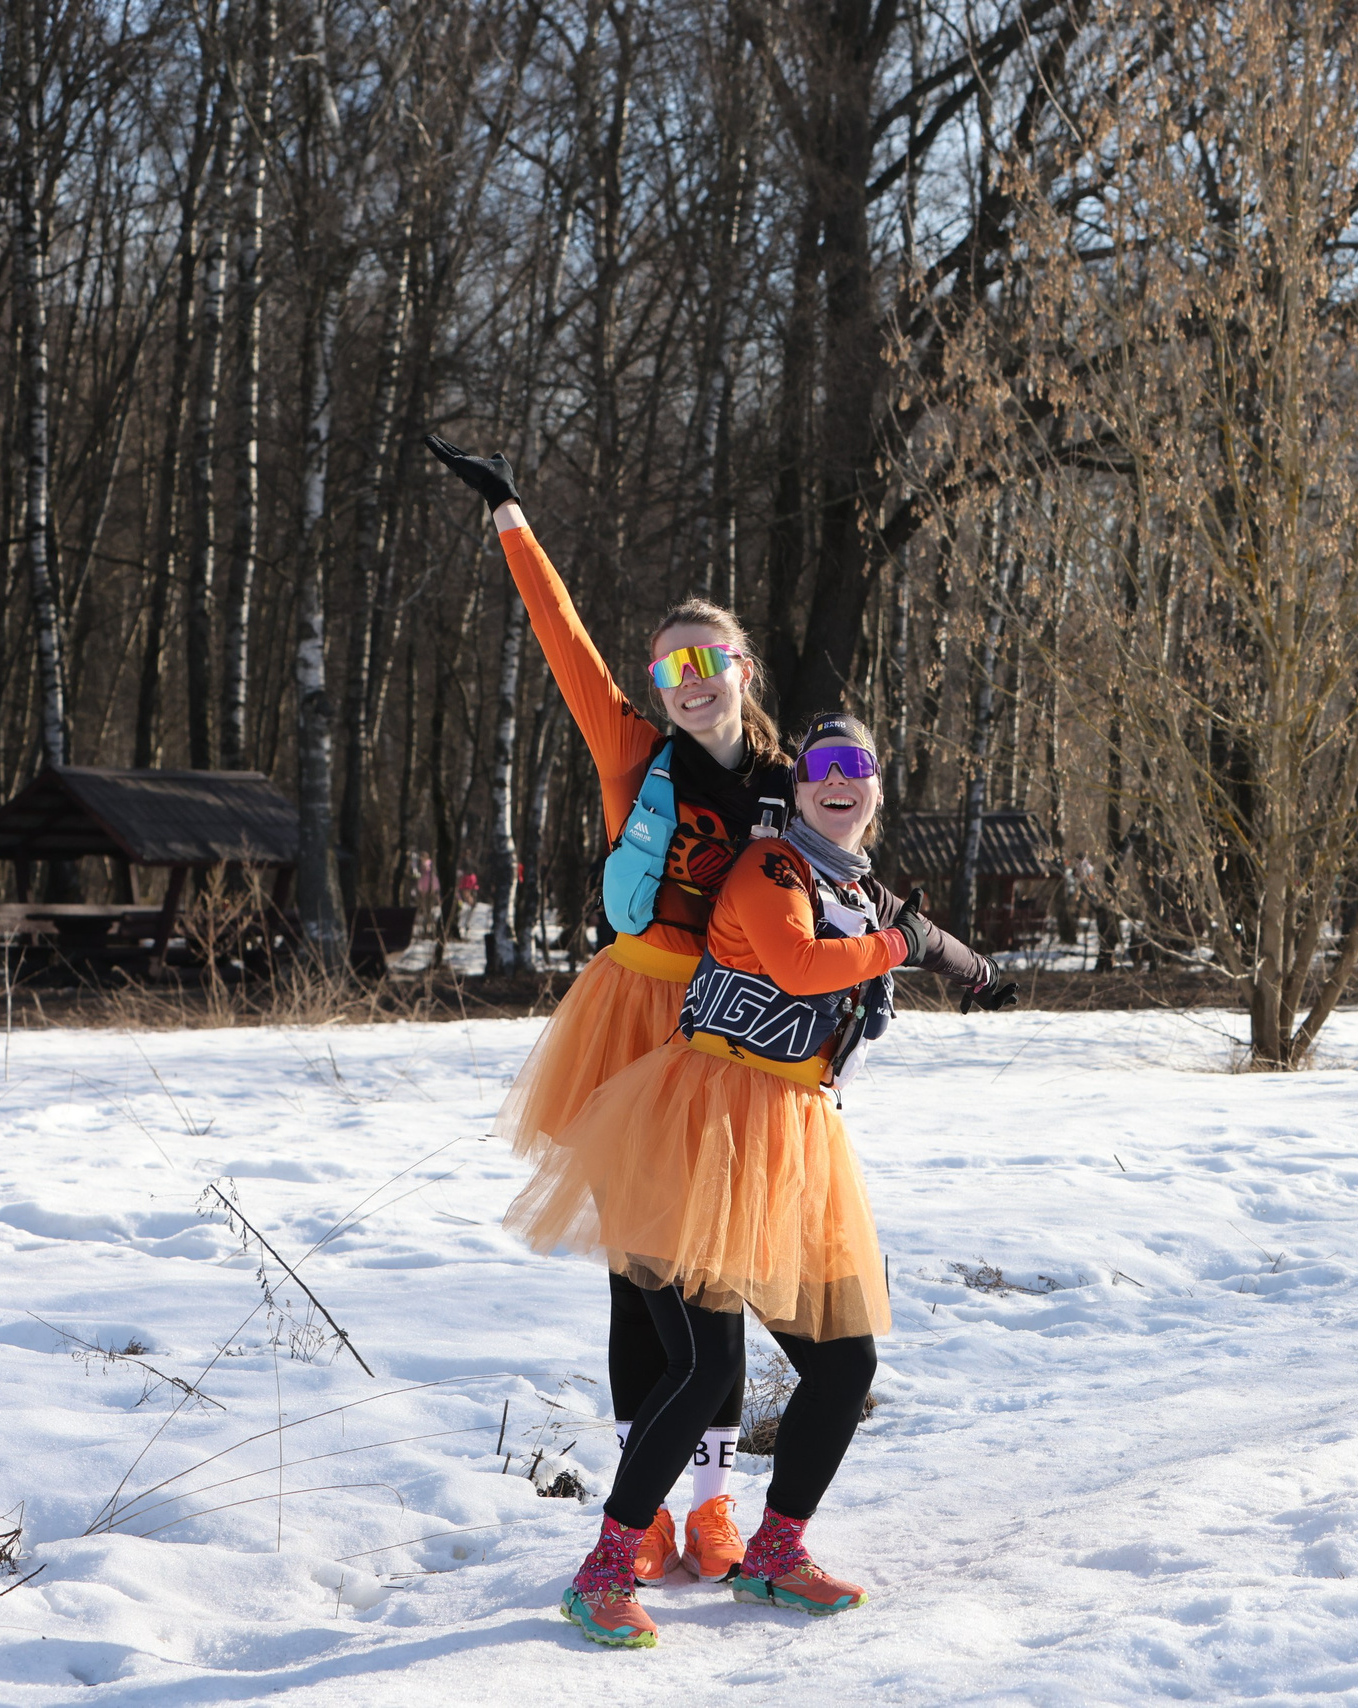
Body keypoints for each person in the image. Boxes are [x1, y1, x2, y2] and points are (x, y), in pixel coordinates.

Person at [517, 713, 1017, 1648]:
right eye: (822, 767)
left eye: (856, 769)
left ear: (876, 789)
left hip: (791, 1133)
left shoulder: (855, 885)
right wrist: (904, 947)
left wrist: (978, 968)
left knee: (844, 1362)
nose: (839, 782)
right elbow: (797, 963)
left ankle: (776, 1554)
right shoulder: (771, 869)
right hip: (701, 1124)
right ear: (799, 789)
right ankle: (605, 1570)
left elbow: (917, 930)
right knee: (703, 1364)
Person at [427, 433, 792, 1587]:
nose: (692, 682)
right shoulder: (633, 753)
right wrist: (511, 517)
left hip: (733, 1028)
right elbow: (563, 641)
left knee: (719, 1266)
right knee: (642, 1278)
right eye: (672, 668)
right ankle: (637, 1518)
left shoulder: (789, 784)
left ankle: (715, 1512)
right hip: (631, 1015)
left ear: (743, 668)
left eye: (710, 662)